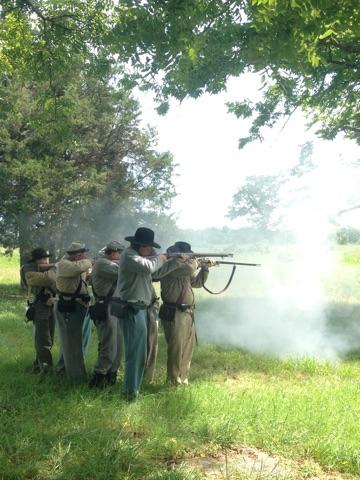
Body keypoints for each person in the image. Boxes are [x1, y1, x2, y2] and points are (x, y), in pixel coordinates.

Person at [115, 227, 181, 400]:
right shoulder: (129, 255)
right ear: (141, 245)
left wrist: (176, 262)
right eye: (149, 247)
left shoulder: (139, 258)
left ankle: (133, 391)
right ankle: (130, 394)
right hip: (132, 308)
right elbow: (149, 267)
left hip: (140, 309)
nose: (152, 250)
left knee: (140, 354)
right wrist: (162, 257)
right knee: (134, 355)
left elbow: (156, 272)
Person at [158, 241, 214, 386]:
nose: (189, 258)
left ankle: (183, 379)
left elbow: (196, 283)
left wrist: (205, 268)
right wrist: (197, 263)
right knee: (176, 349)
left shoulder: (184, 268)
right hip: (175, 312)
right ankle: (173, 382)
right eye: (188, 256)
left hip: (187, 312)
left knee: (187, 348)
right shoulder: (171, 266)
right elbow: (189, 270)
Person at [89, 241, 125, 388]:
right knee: (108, 346)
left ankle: (111, 375)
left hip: (116, 307)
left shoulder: (109, 263)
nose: (121, 256)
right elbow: (123, 271)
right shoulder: (102, 263)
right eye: (120, 253)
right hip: (106, 307)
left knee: (118, 346)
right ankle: (99, 378)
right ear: (112, 252)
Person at [54, 242, 93, 381]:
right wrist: (91, 261)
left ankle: (61, 370)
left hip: (78, 305)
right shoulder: (64, 264)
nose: (84, 256)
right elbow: (78, 268)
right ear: (76, 255)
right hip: (69, 307)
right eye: (82, 254)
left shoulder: (76, 265)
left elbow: (81, 277)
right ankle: (77, 378)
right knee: (73, 343)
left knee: (70, 342)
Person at [20, 248, 56, 374]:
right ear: (37, 260)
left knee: (49, 339)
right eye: (43, 258)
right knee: (43, 340)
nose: (45, 260)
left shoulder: (45, 269)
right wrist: (54, 268)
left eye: (46, 258)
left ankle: (38, 364)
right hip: (39, 306)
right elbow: (48, 279)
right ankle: (45, 369)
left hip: (51, 305)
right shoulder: (28, 269)